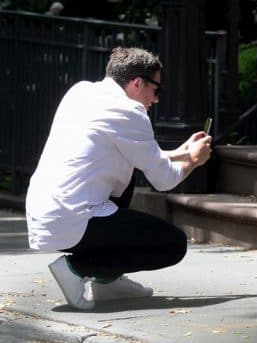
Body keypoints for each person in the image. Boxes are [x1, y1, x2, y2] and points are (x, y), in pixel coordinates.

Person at [25, 47, 212, 310]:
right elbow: (164, 181)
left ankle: (107, 282)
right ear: (137, 82)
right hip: (73, 218)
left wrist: (182, 152)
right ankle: (77, 268)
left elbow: (141, 154)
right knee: (173, 245)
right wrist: (195, 160)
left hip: (43, 211)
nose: (155, 99)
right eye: (155, 89)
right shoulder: (130, 111)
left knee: (128, 172)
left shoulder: (80, 91)